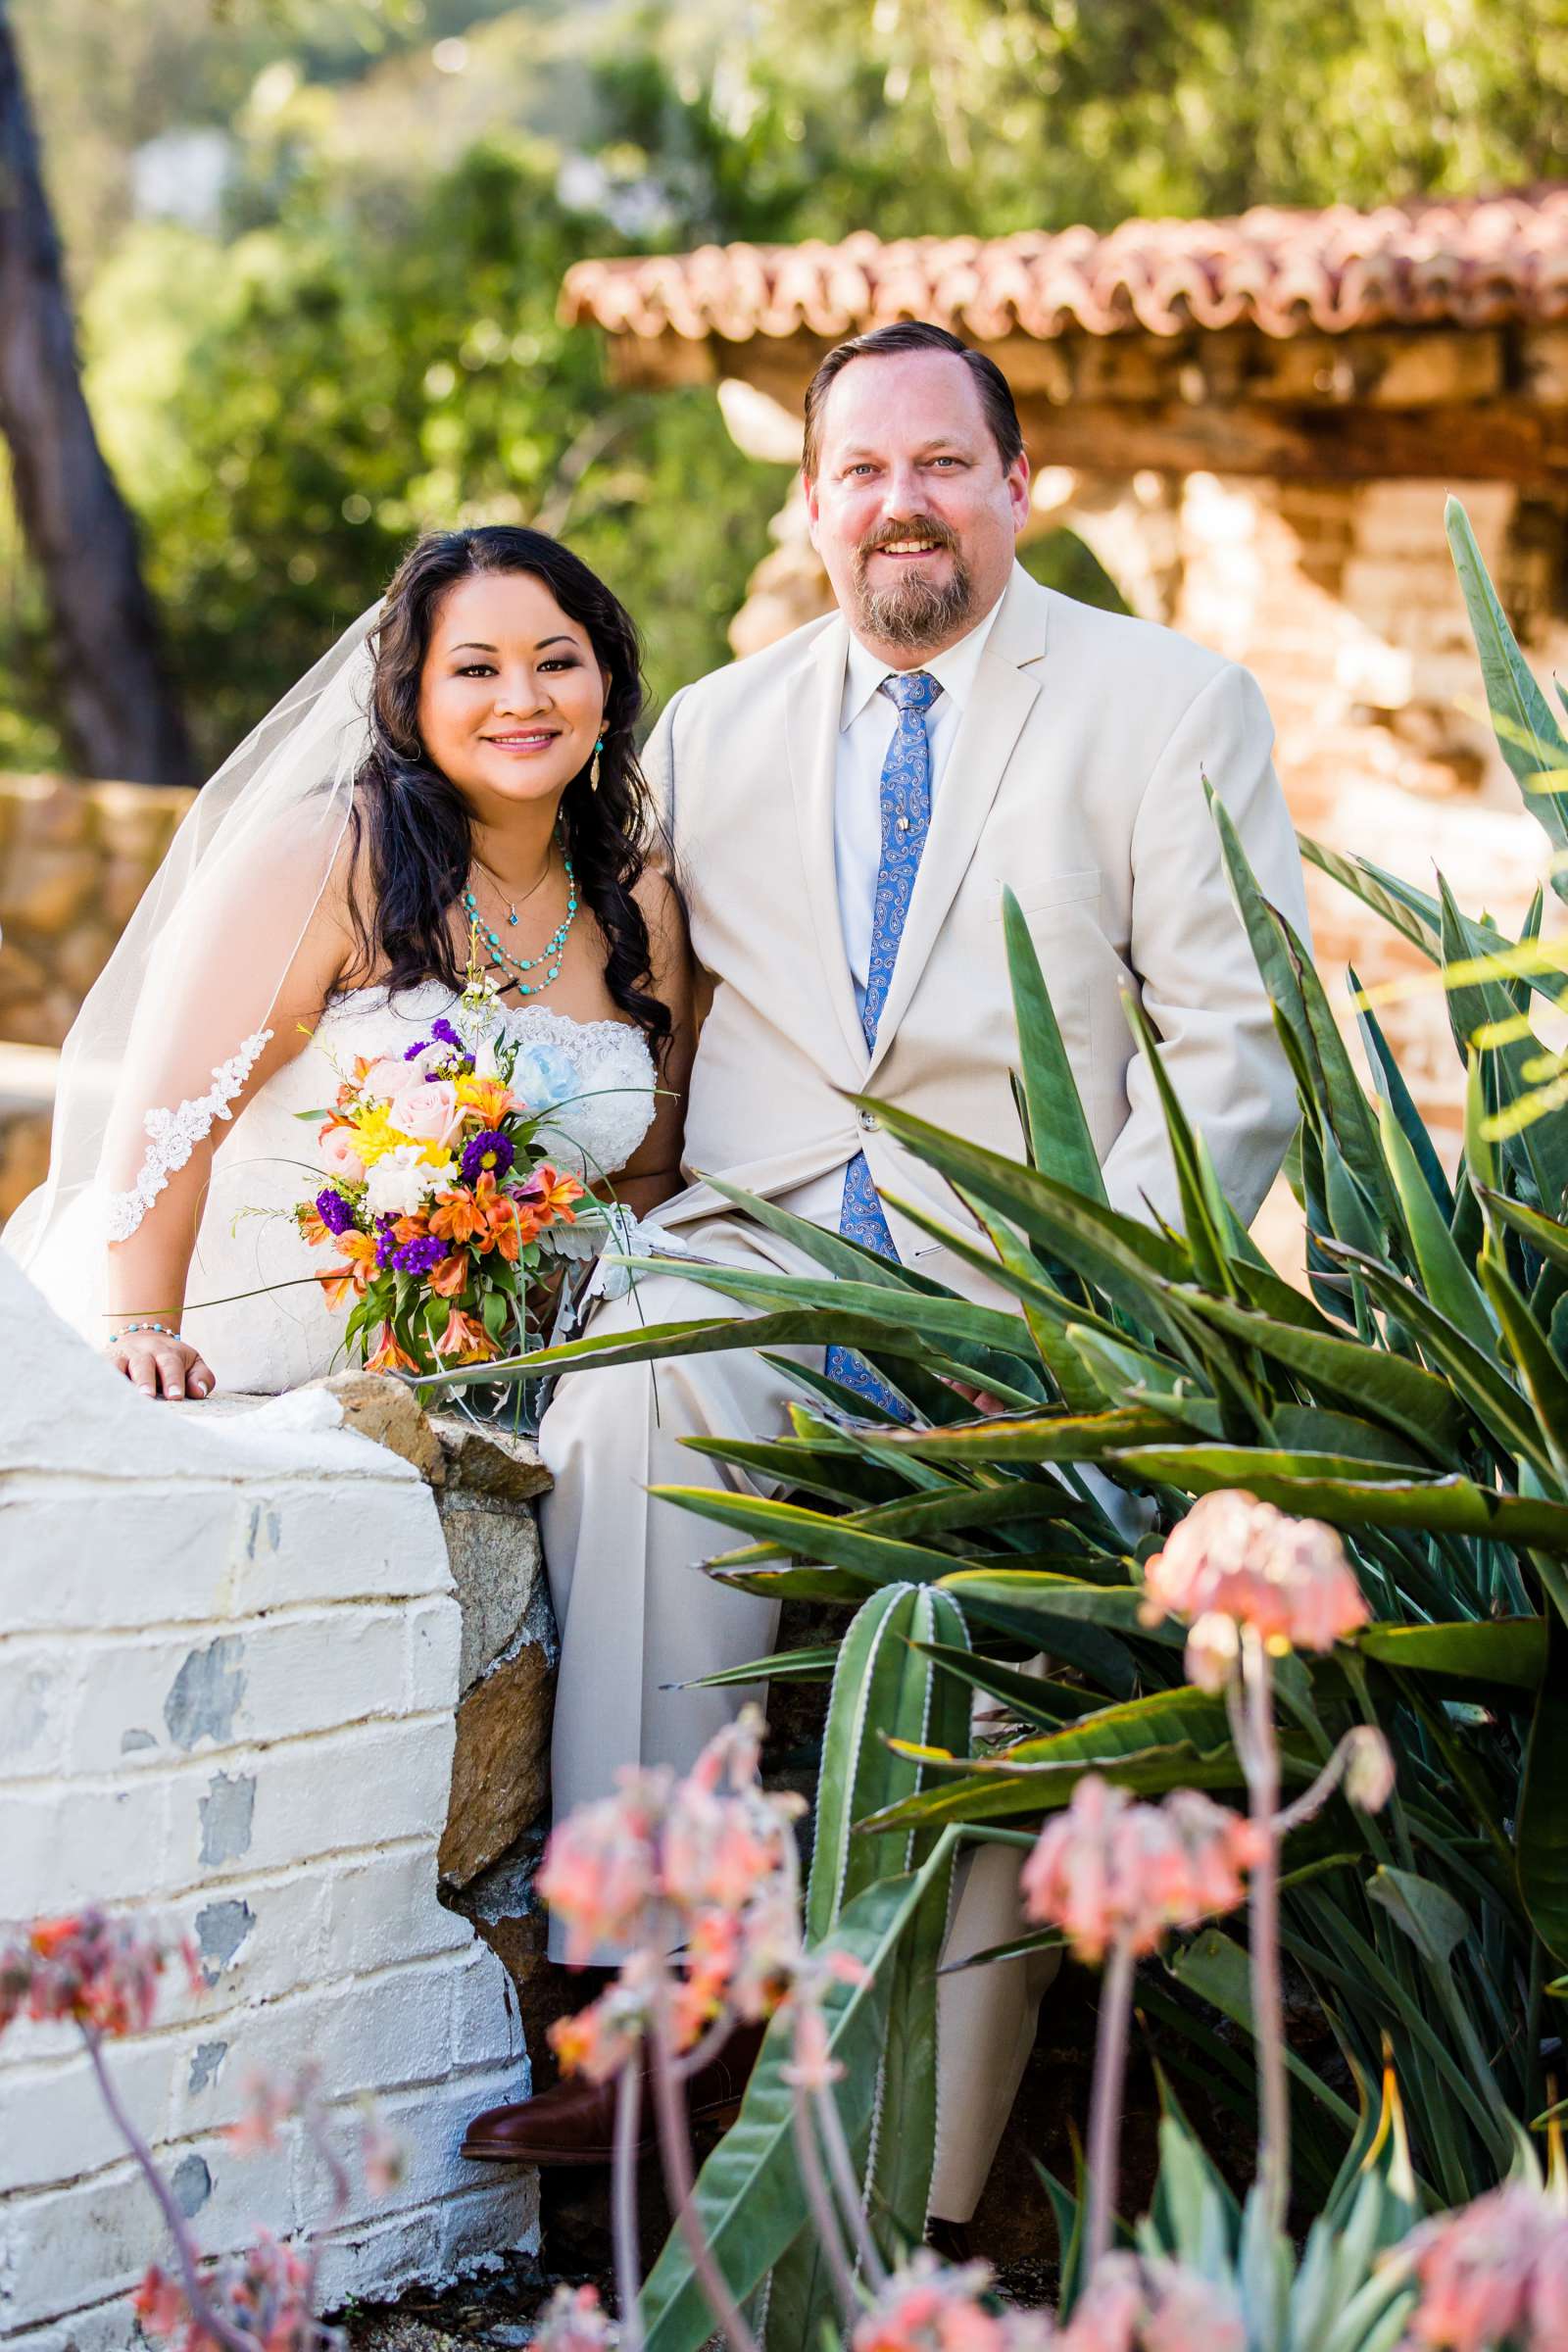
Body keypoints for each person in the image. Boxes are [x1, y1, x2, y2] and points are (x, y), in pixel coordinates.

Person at [462, 322, 1311, 2236]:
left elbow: (1231, 1056)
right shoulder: (715, 728)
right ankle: (643, 1999)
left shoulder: (1164, 705)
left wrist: (1100, 1316)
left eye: (942, 464)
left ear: (1018, 487)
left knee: (1008, 1626)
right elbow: (633, 1000)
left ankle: (919, 2196)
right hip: (759, 1270)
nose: (899, 503)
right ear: (812, 501)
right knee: (634, 1377)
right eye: (860, 470)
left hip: (1022, 1305)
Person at [4, 527, 693, 1397]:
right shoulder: (332, 858)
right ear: (413, 697)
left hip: (530, 1381)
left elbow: (646, 1180)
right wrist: (145, 1332)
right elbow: (172, 1117)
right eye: (475, 670)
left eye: (557, 663)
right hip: (253, 1356)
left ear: (606, 687)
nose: (522, 699)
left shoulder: (643, 904)